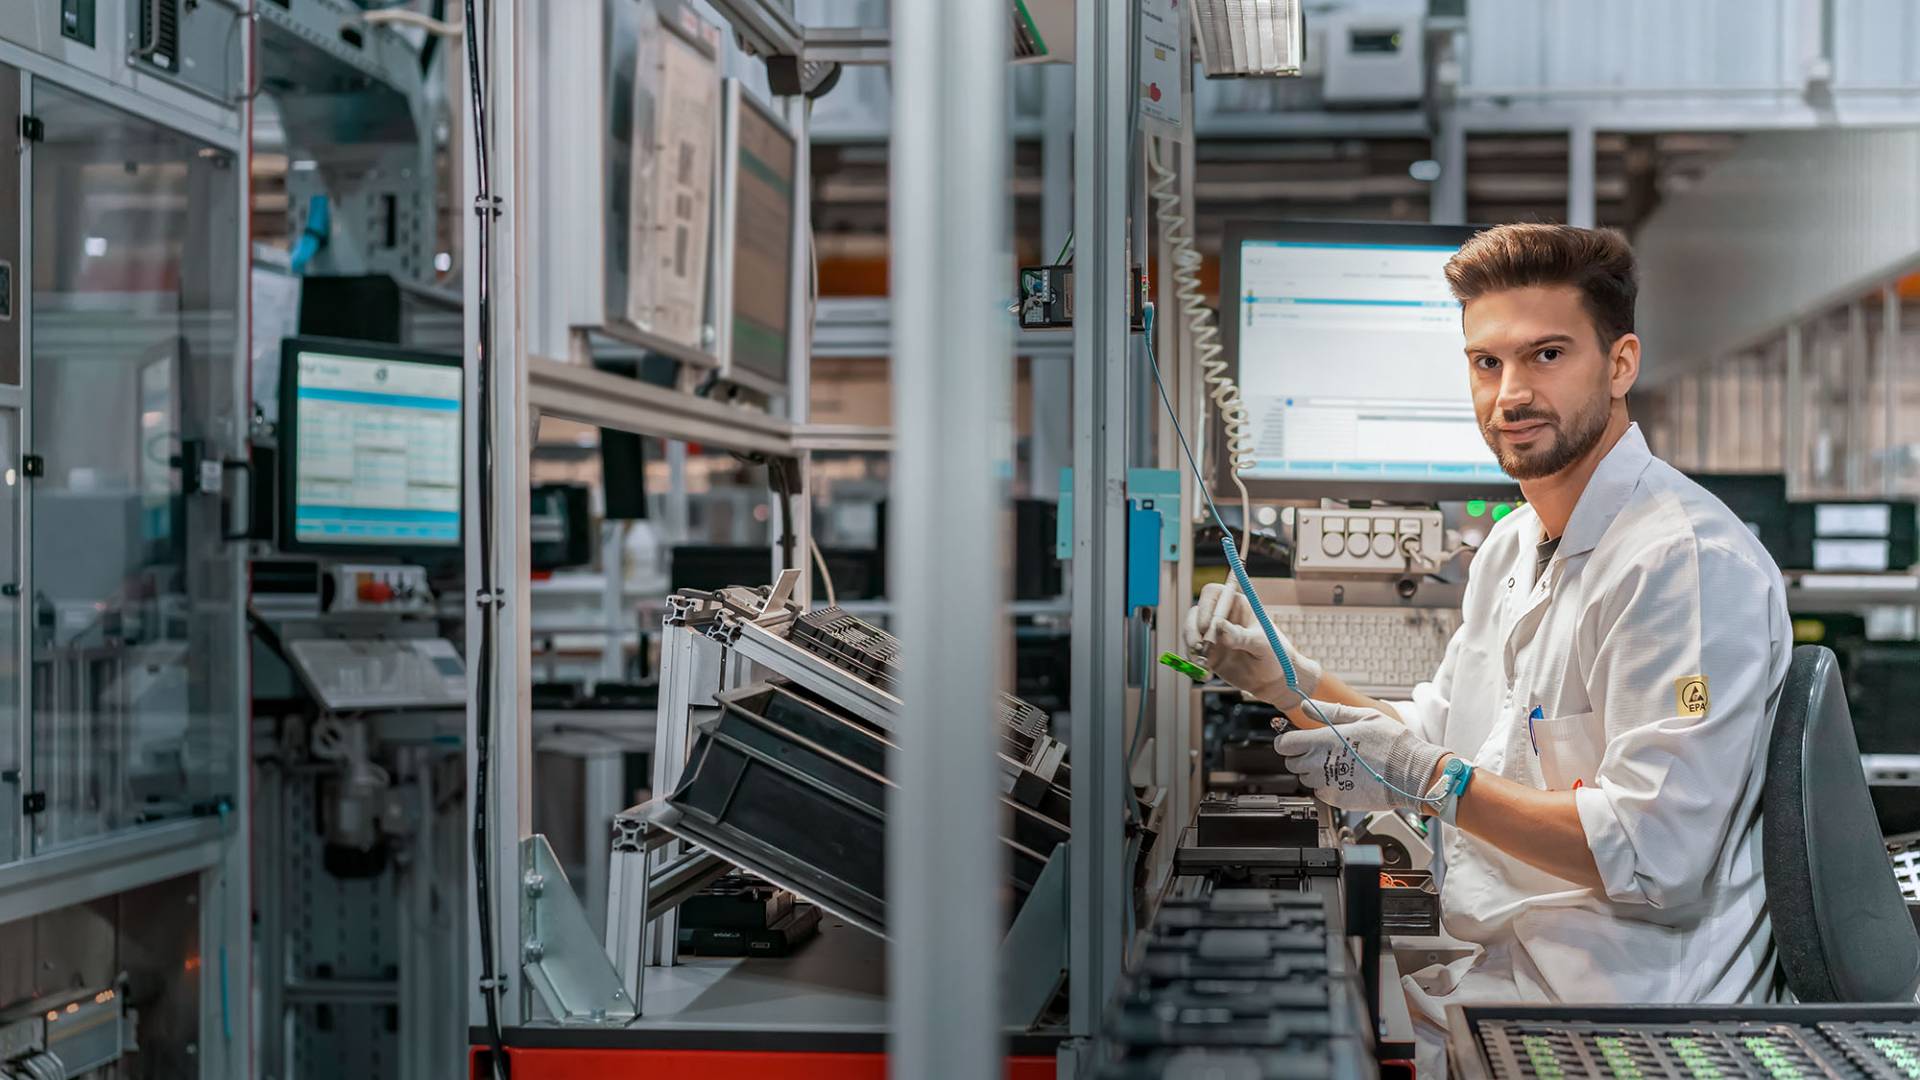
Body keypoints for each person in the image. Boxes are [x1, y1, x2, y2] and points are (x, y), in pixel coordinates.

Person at [1185, 223, 1790, 1075]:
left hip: (1628, 1021)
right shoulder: (1512, 546)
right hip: (1502, 986)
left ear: (1620, 365)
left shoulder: (1681, 562)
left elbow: (1656, 855)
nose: (1511, 394)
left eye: (1547, 356)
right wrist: (1288, 682)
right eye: (1486, 363)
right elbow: (1433, 736)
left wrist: (1432, 778)